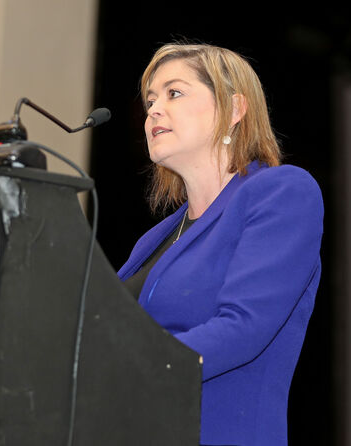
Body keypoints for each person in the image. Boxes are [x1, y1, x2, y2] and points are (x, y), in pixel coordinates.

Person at [117, 42, 324, 446]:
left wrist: (121, 369)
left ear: (234, 109)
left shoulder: (281, 192)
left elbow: (243, 327)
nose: (154, 110)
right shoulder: (154, 239)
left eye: (174, 93)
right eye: (151, 100)